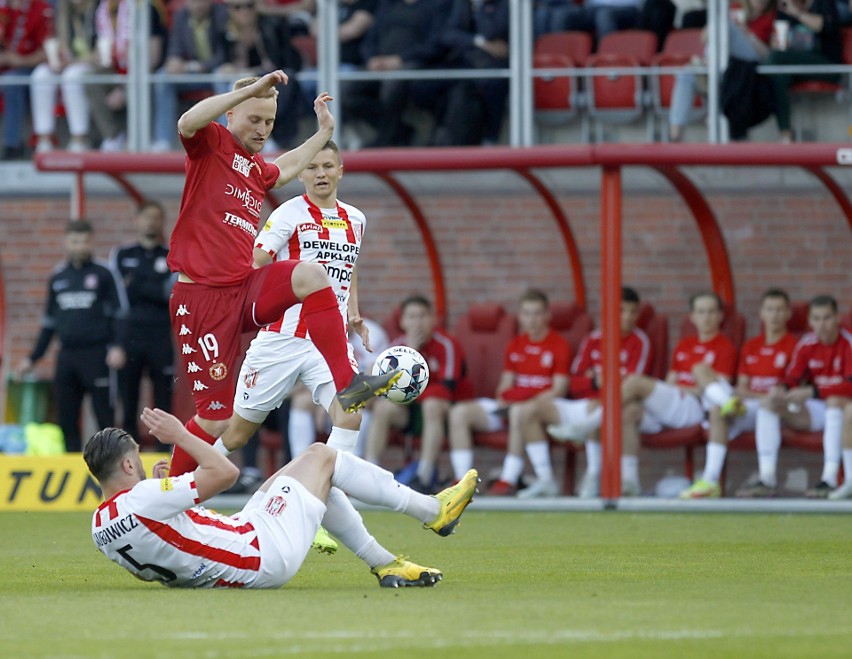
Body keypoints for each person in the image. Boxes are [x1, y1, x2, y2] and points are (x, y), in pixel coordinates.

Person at [165, 72, 399, 477]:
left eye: (269, 122)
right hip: (200, 299)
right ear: (232, 113)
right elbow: (187, 121)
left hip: (241, 290)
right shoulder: (211, 143)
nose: (262, 130)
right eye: (254, 119)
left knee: (311, 275)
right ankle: (168, 494)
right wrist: (247, 93)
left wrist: (323, 130)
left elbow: (286, 166)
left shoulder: (255, 168)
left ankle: (349, 383)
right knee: (218, 423)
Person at [85, 407, 479, 588]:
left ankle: (386, 564)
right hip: (260, 553)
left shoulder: (99, 527)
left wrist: (170, 498)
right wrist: (180, 436)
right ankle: (434, 510)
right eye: (137, 457)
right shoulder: (144, 499)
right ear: (126, 467)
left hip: (238, 546)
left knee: (309, 468)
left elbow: (159, 555)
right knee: (322, 456)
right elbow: (225, 473)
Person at [15, 220, 127, 451]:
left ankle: (110, 463)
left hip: (97, 353)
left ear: (91, 242)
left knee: (104, 415)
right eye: (74, 241)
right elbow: (49, 324)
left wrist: (118, 346)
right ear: (66, 242)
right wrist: (32, 358)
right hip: (67, 354)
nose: (79, 246)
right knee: (66, 415)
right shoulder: (58, 277)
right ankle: (73, 461)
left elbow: (121, 313)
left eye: (84, 241)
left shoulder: (104, 273)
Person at [448, 289, 571, 498]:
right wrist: (503, 396)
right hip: (510, 407)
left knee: (519, 412)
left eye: (537, 313)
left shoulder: (559, 344)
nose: (531, 320)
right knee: (459, 412)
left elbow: (559, 389)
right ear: (520, 316)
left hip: (536, 411)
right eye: (526, 313)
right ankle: (462, 482)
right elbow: (505, 384)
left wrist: (525, 402)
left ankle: (508, 479)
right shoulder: (516, 344)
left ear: (547, 315)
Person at [679, 288, 798, 498]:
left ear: (788, 313)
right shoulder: (751, 346)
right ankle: (710, 482)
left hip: (777, 409)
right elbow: (742, 387)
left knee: (766, 405)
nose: (774, 315)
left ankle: (767, 478)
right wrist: (745, 396)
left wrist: (759, 396)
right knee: (716, 406)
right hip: (747, 405)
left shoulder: (795, 346)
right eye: (770, 309)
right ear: (761, 313)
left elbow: (792, 390)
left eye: (780, 310)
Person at [542, 287, 652, 498]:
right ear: (610, 311)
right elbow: (574, 383)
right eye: (622, 310)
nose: (627, 317)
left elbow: (631, 385)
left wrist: (600, 392)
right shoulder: (593, 339)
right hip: (591, 402)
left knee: (625, 410)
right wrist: (594, 381)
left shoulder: (640, 341)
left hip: (626, 405)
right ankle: (591, 475)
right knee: (532, 409)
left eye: (633, 312)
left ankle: (628, 481)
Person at [749, 295, 852, 498]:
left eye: (827, 318)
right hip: (816, 409)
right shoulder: (806, 344)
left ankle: (829, 479)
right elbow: (792, 377)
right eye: (816, 318)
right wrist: (782, 390)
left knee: (833, 401)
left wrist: (813, 392)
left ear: (837, 318)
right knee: (769, 404)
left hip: (843, 409)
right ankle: (767, 478)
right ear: (810, 321)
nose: (822, 324)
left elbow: (850, 386)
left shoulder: (848, 342)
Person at [365, 295, 468, 493]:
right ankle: (370, 474)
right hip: (409, 410)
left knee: (431, 404)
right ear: (402, 321)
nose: (417, 322)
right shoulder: (397, 346)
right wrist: (410, 352)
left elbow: (447, 388)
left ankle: (424, 475)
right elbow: (384, 388)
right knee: (383, 408)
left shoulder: (447, 343)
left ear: (433, 319)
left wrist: (404, 386)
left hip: (442, 412)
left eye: (422, 316)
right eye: (411, 317)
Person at [110, 201, 175, 448]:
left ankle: (164, 449)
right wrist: (152, 289)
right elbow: (118, 295)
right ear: (137, 220)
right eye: (146, 217)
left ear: (161, 222)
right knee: (128, 395)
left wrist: (137, 285)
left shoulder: (169, 255)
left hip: (159, 334)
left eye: (156, 217)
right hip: (130, 335)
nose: (150, 222)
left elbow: (168, 294)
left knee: (162, 396)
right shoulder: (122, 254)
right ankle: (129, 449)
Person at [344, 0, 449, 147]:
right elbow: (370, 39)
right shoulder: (387, 5)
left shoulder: (435, 6)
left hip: (415, 63)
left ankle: (386, 142)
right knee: (346, 90)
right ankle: (400, 131)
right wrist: (371, 58)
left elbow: (436, 44)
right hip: (379, 64)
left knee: (393, 85)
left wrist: (400, 60)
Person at [668, 0, 775, 142]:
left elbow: (769, 55)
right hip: (727, 65)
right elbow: (704, 38)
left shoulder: (772, 16)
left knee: (728, 26)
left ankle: (707, 66)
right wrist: (718, 18)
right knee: (686, 73)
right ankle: (675, 137)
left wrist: (746, 32)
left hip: (752, 61)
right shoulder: (736, 9)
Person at [214, 0, 306, 152]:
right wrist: (229, 67)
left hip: (270, 77)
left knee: (250, 84)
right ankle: (228, 137)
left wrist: (255, 73)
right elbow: (220, 60)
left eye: (249, 6)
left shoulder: (272, 26)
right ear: (230, 11)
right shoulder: (224, 30)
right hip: (239, 77)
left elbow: (283, 62)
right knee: (223, 78)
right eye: (238, 7)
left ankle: (260, 137)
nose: (244, 11)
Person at [150, 0, 230, 152]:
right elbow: (175, 48)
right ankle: (163, 140)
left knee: (221, 77)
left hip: (216, 70)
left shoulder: (221, 14)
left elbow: (224, 54)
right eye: (194, 1)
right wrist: (173, 61)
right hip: (193, 73)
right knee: (162, 77)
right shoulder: (181, 16)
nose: (198, 5)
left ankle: (226, 140)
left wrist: (198, 66)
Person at [431, 0, 509, 147]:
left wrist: (479, 9)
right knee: (435, 83)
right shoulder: (462, 4)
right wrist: (478, 41)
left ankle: (490, 137)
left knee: (495, 83)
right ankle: (441, 136)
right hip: (465, 60)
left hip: (493, 64)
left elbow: (491, 31)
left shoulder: (503, 4)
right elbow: (447, 34)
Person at [768, 0, 842, 143]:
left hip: (828, 65)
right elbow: (776, 39)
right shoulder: (784, 8)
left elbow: (823, 25)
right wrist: (776, 41)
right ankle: (786, 134)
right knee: (778, 76)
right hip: (795, 66)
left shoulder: (824, 4)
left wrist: (796, 13)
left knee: (776, 60)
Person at [30, 0, 97, 153]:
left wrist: (72, 62)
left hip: (91, 64)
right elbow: (61, 46)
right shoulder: (63, 10)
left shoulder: (98, 8)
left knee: (72, 76)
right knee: (41, 75)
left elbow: (101, 53)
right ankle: (44, 139)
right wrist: (58, 59)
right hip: (69, 63)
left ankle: (79, 138)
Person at [0, 0, 52, 160]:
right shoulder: (3, 9)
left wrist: (19, 61)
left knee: (11, 82)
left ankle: (12, 144)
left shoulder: (41, 7)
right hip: (6, 66)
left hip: (29, 66)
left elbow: (47, 51)